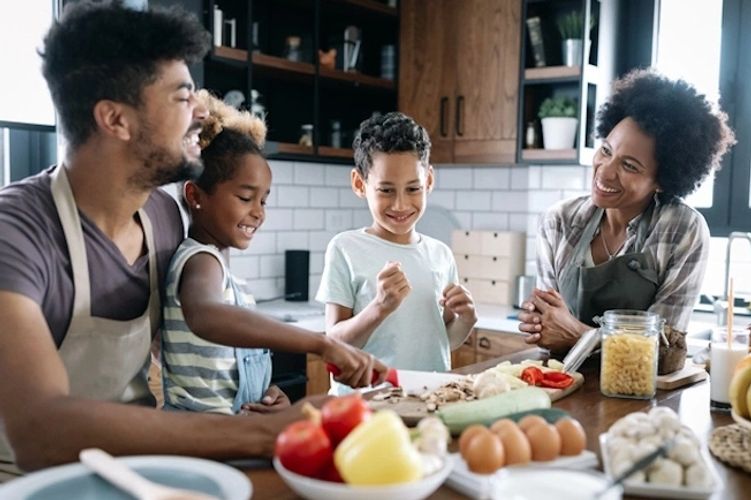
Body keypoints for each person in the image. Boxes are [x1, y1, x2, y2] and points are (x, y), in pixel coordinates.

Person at [0, 2, 372, 480]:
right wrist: (271, 432)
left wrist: (254, 395)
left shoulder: (163, 218)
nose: (202, 111)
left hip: (136, 474)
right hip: (30, 484)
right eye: (182, 96)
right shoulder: (16, 232)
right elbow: (40, 432)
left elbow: (183, 341)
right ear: (116, 119)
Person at [162, 91, 386, 415]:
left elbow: (224, 368)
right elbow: (206, 315)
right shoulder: (200, 260)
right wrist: (322, 344)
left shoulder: (223, 271)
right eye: (245, 197)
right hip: (198, 437)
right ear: (196, 195)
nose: (258, 213)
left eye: (263, 200)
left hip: (229, 430)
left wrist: (265, 391)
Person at [518, 69, 736, 373]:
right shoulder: (560, 220)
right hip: (562, 383)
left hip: (639, 398)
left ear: (662, 181)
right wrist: (540, 323)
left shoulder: (682, 230)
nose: (605, 172)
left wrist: (579, 335)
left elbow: (662, 353)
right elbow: (550, 330)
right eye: (606, 151)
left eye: (629, 166)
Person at [316, 112, 478, 395]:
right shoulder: (345, 248)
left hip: (428, 398)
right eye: (386, 190)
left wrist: (466, 319)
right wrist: (380, 307)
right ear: (359, 184)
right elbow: (334, 342)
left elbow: (444, 339)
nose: (401, 204)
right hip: (366, 405)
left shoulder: (440, 254)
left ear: (428, 181)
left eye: (413, 188)